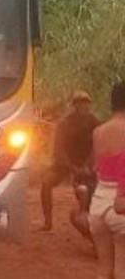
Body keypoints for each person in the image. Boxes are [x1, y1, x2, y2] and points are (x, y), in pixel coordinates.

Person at [87, 80, 125, 279]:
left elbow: (95, 166)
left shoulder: (99, 131)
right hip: (121, 202)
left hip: (99, 200)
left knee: (104, 273)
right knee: (124, 276)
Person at [41, 90, 101, 232]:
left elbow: (97, 146)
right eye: (80, 103)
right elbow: (59, 150)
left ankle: (91, 226)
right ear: (74, 105)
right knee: (46, 182)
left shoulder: (95, 123)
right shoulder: (64, 123)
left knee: (90, 192)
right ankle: (48, 221)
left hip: (86, 164)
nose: (83, 106)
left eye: (86, 103)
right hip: (65, 164)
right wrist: (72, 167)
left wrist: (88, 165)